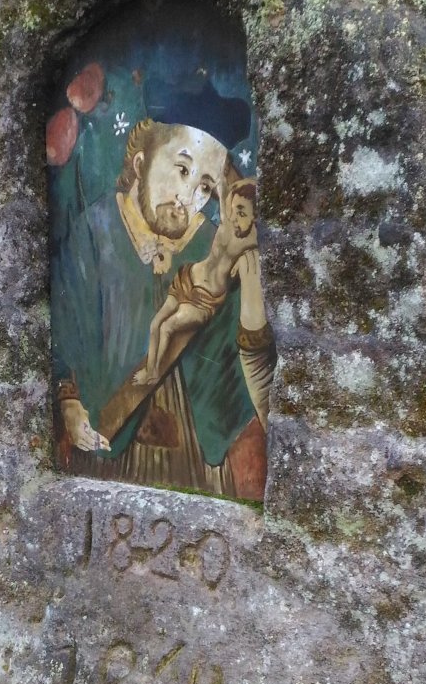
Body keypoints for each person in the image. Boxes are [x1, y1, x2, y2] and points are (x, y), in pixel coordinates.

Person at [51, 108, 272, 499]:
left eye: (206, 187)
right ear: (141, 162)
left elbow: (236, 364)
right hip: (109, 446)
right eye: (182, 171)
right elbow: (68, 335)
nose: (187, 198)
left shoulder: (212, 245)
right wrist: (70, 404)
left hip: (198, 457)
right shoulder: (95, 233)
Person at [134, 180, 259, 385]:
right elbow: (223, 184)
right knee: (155, 323)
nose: (235, 218)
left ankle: (153, 373)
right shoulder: (227, 222)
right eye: (235, 210)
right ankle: (150, 370)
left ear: (255, 218)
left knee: (168, 327)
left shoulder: (251, 241)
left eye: (243, 214)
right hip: (188, 276)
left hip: (205, 298)